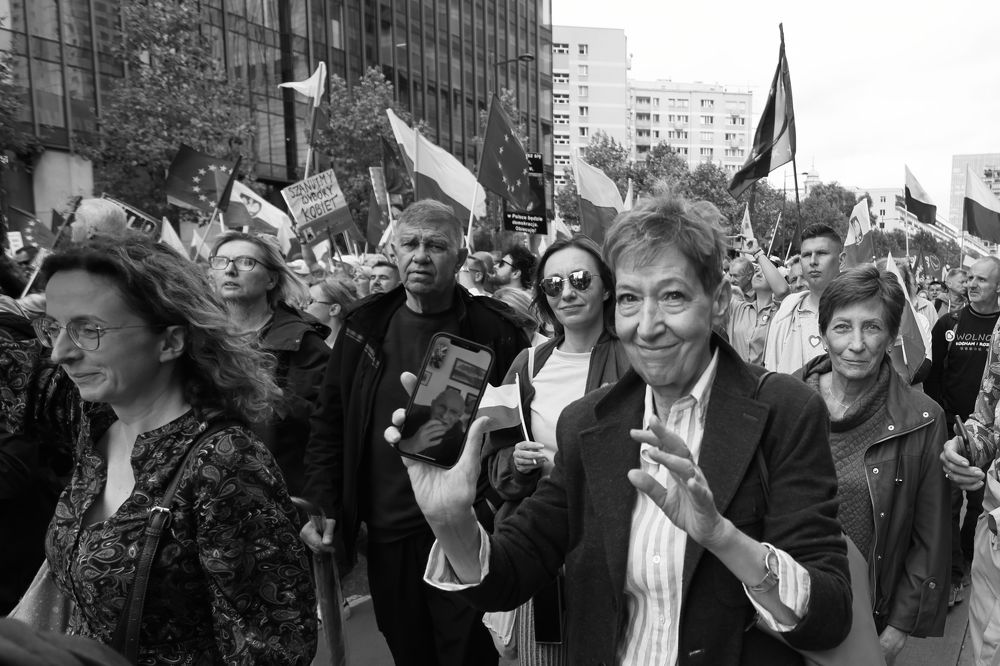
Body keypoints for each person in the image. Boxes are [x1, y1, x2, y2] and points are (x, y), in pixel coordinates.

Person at [390, 194, 851, 664]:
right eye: (631, 299)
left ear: (718, 301)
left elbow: (830, 615)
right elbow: (512, 572)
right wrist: (451, 521)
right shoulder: (586, 423)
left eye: (672, 296)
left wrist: (723, 539)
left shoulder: (786, 412)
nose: (646, 327)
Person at [0, 234, 316, 663]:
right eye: (54, 327)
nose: (60, 353)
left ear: (170, 341)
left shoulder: (225, 461)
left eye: (89, 330)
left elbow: (271, 649)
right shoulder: (92, 420)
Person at [301, 200, 529, 665]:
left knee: (468, 656)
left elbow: (518, 428)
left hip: (466, 529)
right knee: (408, 651)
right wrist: (324, 504)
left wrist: (489, 506)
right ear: (395, 252)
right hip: (388, 534)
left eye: (435, 245)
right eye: (410, 244)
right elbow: (330, 422)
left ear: (460, 258)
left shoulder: (495, 330)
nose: (420, 255)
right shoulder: (364, 325)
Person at [483, 235, 630, 665]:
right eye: (553, 284)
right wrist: (517, 464)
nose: (567, 292)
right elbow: (496, 456)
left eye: (580, 279)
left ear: (606, 288)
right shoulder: (528, 364)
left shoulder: (636, 358)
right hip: (543, 550)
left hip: (614, 553)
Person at [798, 265, 949, 663]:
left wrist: (898, 628)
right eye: (842, 327)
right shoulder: (785, 401)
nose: (856, 344)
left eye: (872, 327)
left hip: (869, 620)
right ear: (823, 331)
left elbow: (931, 534)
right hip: (786, 609)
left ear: (892, 335)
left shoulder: (923, 418)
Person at [209, 232, 329, 497]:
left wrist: (276, 397)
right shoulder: (199, 337)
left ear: (271, 279)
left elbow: (328, 423)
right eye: (221, 261)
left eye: (245, 262)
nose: (230, 270)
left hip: (278, 491)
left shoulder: (303, 341)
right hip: (212, 489)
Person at [926, 256, 1000, 606]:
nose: (972, 285)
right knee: (954, 500)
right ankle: (957, 571)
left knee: (974, 509)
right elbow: (986, 411)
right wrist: (963, 438)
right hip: (959, 430)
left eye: (982, 280)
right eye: (971, 278)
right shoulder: (951, 324)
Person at [763, 223, 844, 373]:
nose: (813, 261)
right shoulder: (786, 313)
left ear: (842, 259)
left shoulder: (856, 310)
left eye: (822, 253)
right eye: (806, 255)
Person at [726, 241, 789, 366]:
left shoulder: (781, 312)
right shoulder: (738, 308)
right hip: (737, 376)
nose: (758, 273)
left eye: (764, 272)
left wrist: (757, 252)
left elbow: (782, 290)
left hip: (767, 377)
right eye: (757, 271)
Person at [305, 276, 358, 347]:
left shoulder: (350, 348)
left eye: (310, 301)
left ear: (334, 309)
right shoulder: (311, 342)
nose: (303, 305)